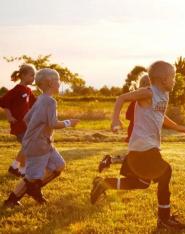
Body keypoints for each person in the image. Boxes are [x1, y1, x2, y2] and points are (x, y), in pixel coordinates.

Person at [91, 61, 185, 230]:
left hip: (147, 146)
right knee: (166, 171)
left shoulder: (163, 95)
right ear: (163, 79)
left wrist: (179, 127)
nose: (174, 81)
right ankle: (164, 219)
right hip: (143, 146)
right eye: (172, 77)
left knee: (142, 183)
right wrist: (115, 119)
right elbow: (121, 98)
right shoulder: (148, 92)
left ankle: (105, 184)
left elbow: (161, 116)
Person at [3, 68, 80, 207]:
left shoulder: (40, 99)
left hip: (46, 143)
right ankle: (11, 200)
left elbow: (27, 118)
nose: (60, 83)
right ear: (50, 82)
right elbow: (53, 123)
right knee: (32, 177)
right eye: (58, 80)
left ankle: (34, 189)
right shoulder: (50, 102)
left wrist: (37, 129)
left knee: (59, 165)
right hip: (37, 144)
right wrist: (69, 123)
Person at [98, 75, 151, 171]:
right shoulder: (138, 101)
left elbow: (128, 116)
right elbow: (131, 116)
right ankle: (112, 161)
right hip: (138, 132)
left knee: (137, 155)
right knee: (140, 156)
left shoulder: (140, 100)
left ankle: (110, 160)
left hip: (138, 131)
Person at [0, 64, 37, 177]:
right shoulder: (16, 90)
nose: (33, 78)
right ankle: (20, 169)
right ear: (24, 75)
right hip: (18, 124)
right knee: (28, 146)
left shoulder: (28, 90)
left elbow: (35, 103)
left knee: (27, 146)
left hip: (26, 125)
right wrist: (9, 116)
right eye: (32, 75)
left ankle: (16, 167)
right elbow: (4, 102)